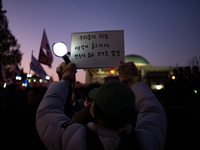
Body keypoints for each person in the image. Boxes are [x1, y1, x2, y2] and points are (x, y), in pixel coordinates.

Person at [36, 61, 167, 150]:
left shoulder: (75, 138)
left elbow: (47, 112)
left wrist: (65, 79)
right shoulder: (146, 140)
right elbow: (152, 110)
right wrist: (129, 81)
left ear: (94, 111)